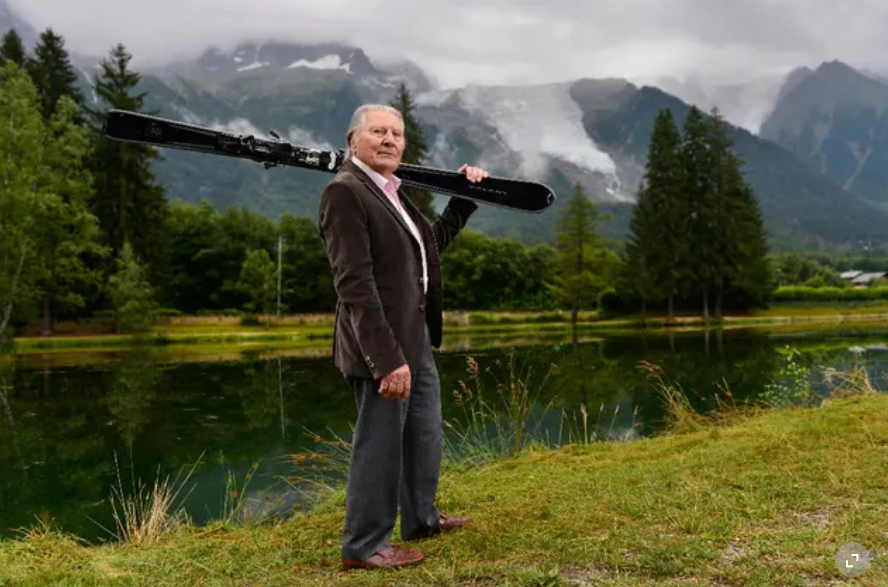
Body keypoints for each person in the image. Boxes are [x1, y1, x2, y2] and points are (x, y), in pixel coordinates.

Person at [317, 103, 489, 570]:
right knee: (380, 445)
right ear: (354, 139)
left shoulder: (392, 192)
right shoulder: (346, 192)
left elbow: (426, 253)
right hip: (382, 347)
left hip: (416, 340)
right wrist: (385, 358)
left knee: (423, 437)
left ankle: (422, 518)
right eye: (378, 131)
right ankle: (364, 546)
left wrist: (462, 198)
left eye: (396, 133)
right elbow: (354, 284)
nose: (390, 140)